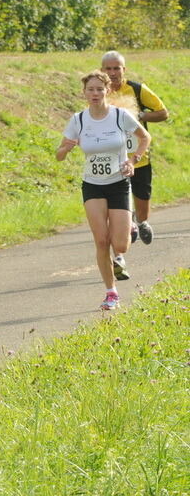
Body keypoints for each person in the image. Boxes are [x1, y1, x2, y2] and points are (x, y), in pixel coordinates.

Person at [56, 70, 149, 310]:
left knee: (120, 245)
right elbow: (59, 155)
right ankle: (111, 293)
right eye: (90, 89)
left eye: (99, 89)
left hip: (118, 184)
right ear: (84, 93)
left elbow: (144, 137)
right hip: (92, 185)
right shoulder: (78, 120)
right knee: (101, 240)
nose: (95, 93)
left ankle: (130, 226)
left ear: (107, 91)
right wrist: (65, 149)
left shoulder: (120, 116)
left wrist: (133, 159)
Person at [101, 50, 169, 274]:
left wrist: (139, 116)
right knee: (118, 211)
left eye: (116, 68)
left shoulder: (138, 89)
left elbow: (162, 113)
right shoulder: (98, 92)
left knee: (142, 208)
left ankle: (141, 222)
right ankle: (119, 256)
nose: (112, 73)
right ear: (103, 70)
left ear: (124, 69)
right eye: (108, 69)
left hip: (139, 159)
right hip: (112, 162)